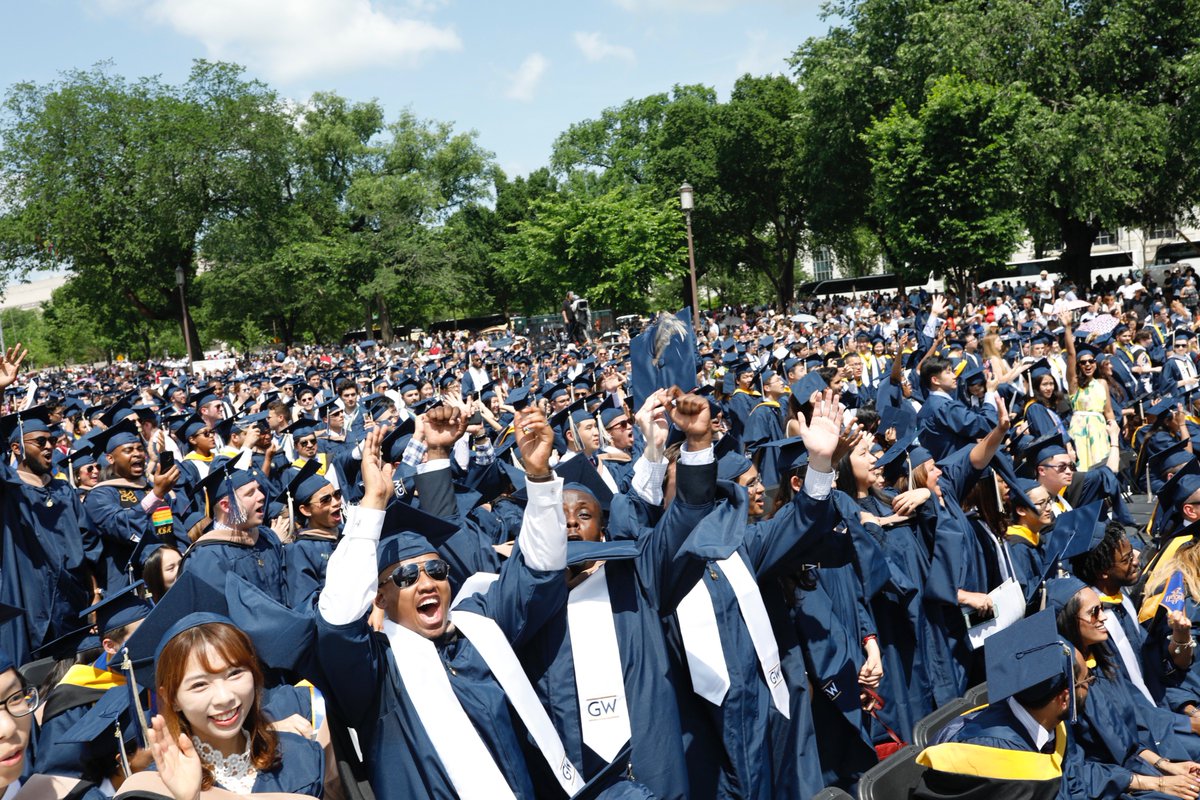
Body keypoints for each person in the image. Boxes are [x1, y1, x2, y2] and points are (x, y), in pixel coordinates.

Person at [115, 617, 324, 798]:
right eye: (199, 685)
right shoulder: (157, 786)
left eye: (234, 674)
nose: (224, 698)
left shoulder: (301, 756)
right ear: (171, 698)